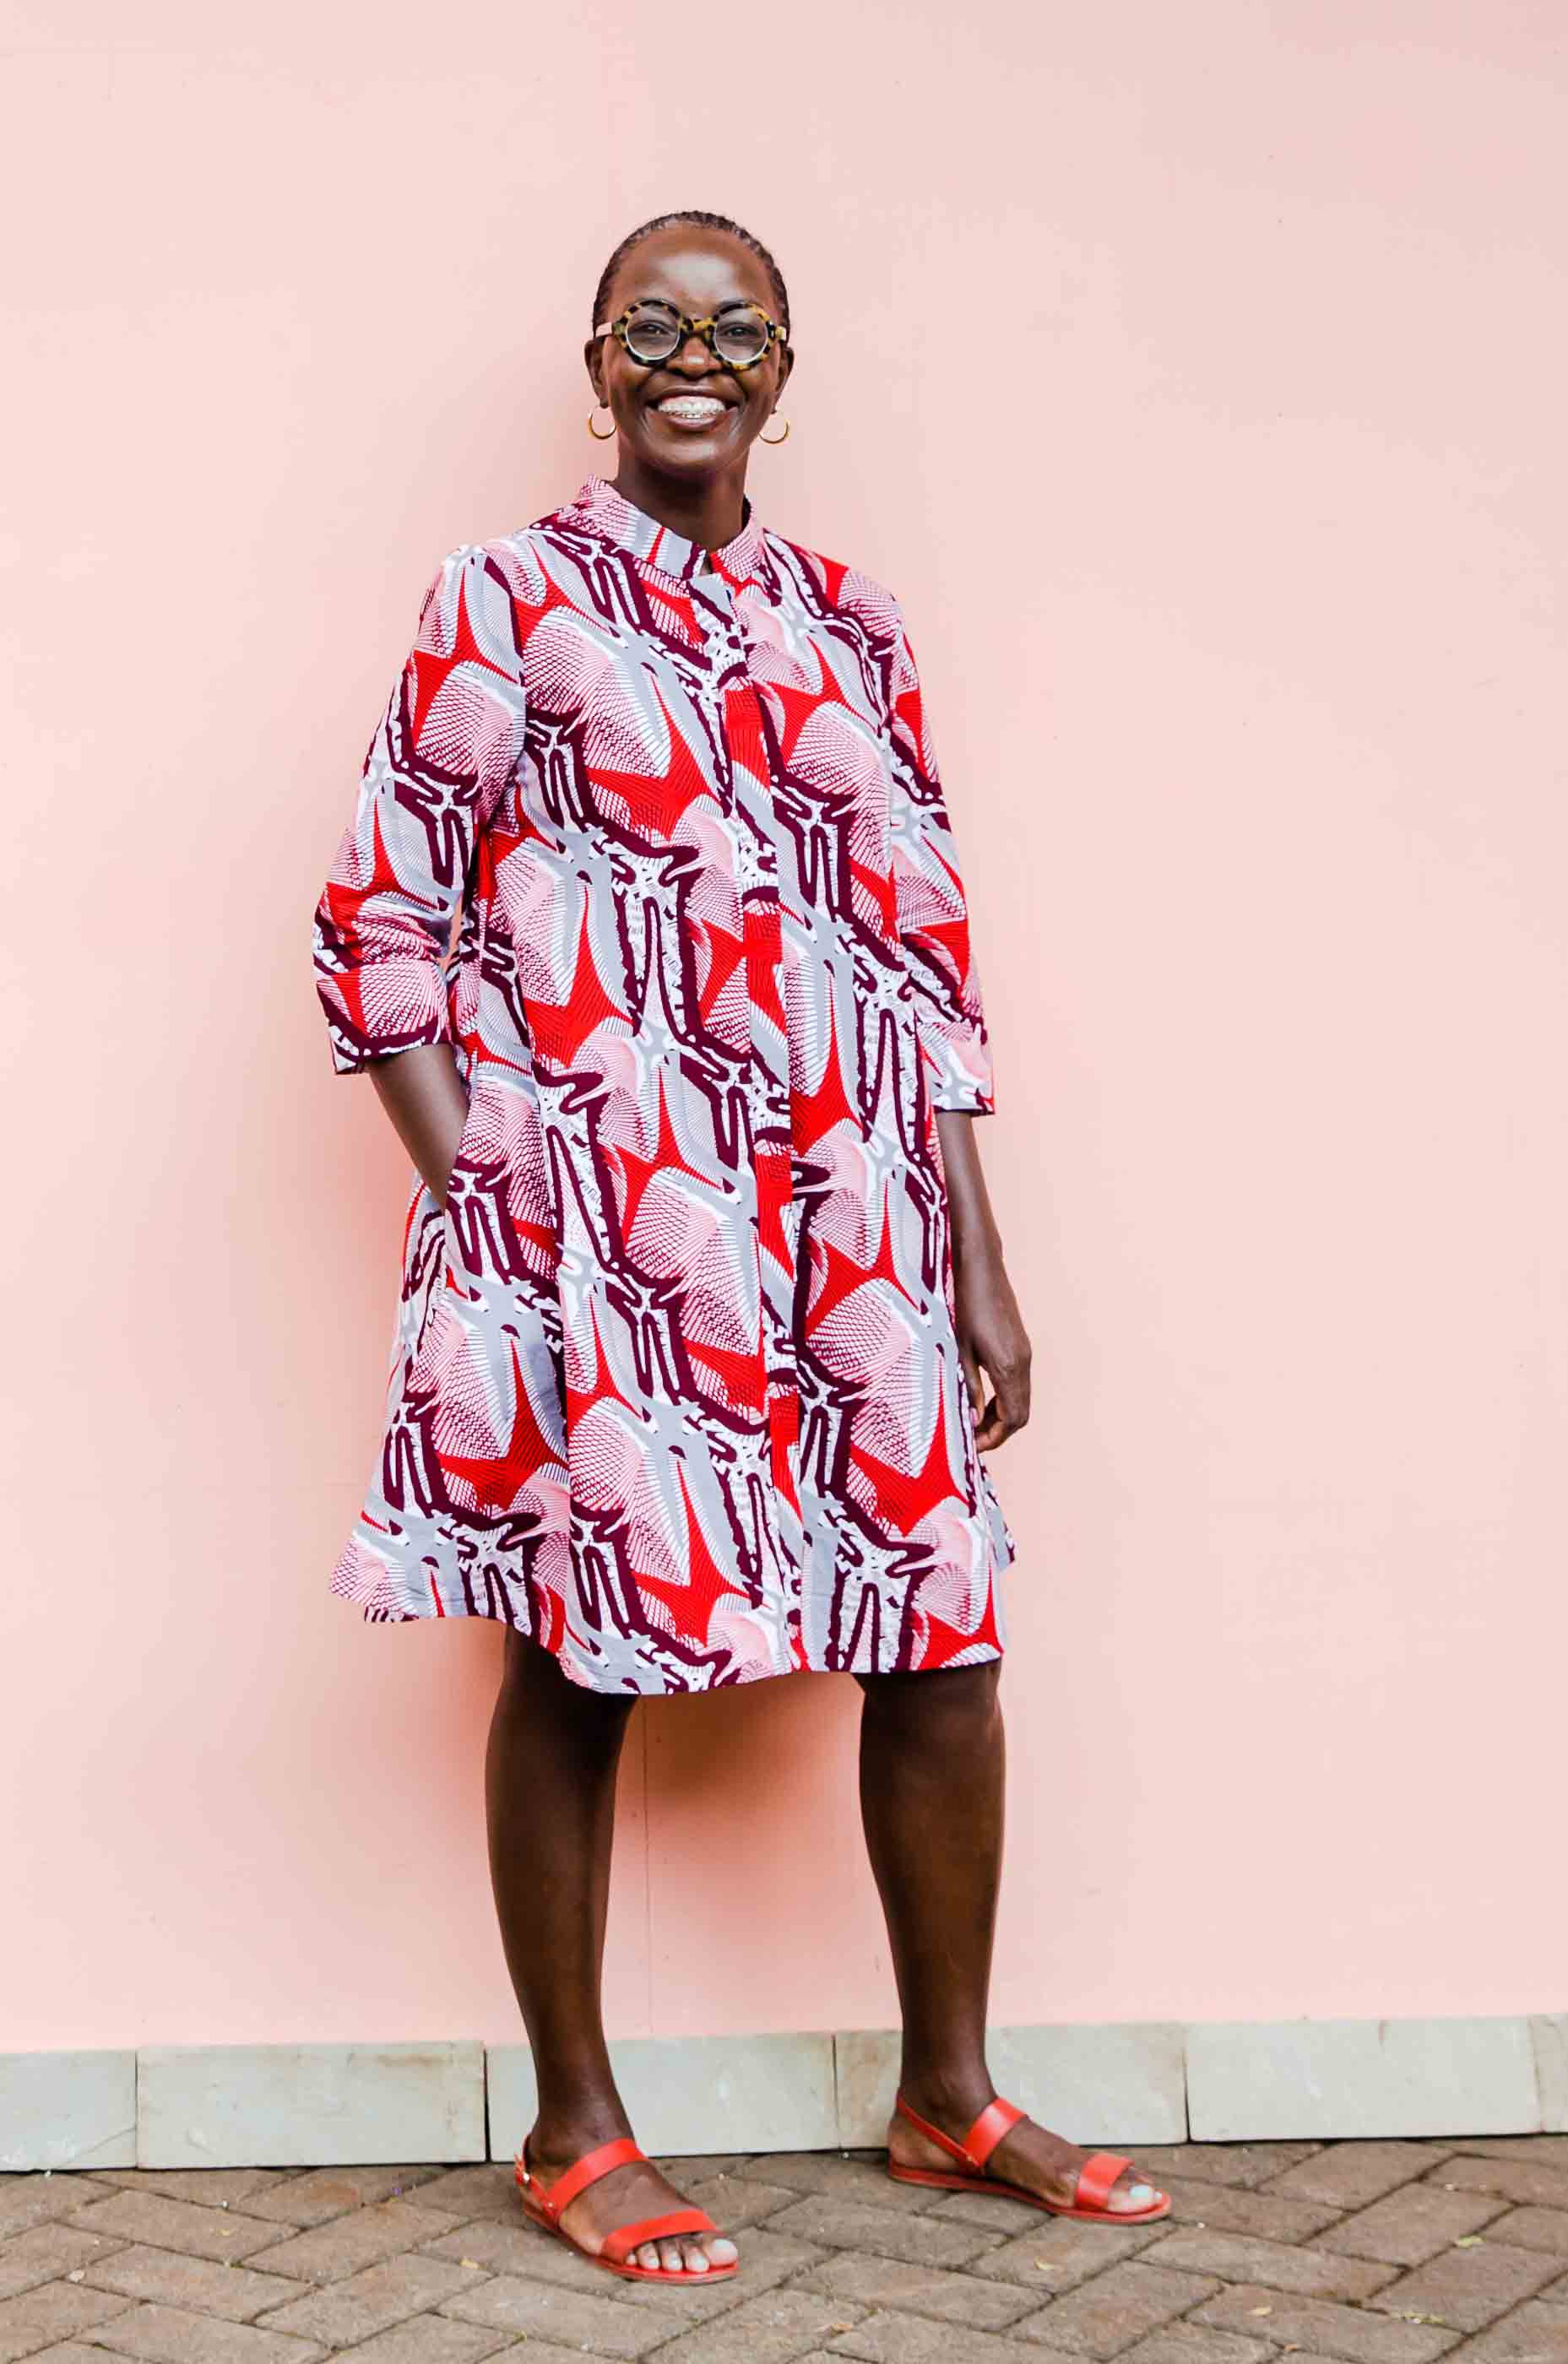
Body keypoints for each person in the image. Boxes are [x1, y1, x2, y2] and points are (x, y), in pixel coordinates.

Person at [311, 207, 1169, 2285]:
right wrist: (495, 1204)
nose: (694, 354)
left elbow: (917, 950)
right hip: (597, 1224)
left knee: (940, 1628)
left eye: (736, 326)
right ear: (597, 364)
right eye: (652, 325)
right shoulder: (501, 599)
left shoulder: (855, 627)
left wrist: (974, 1248)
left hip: (854, 1223)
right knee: (573, 1644)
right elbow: (377, 921)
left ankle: (948, 2086)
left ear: (785, 367)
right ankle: (576, 2120)